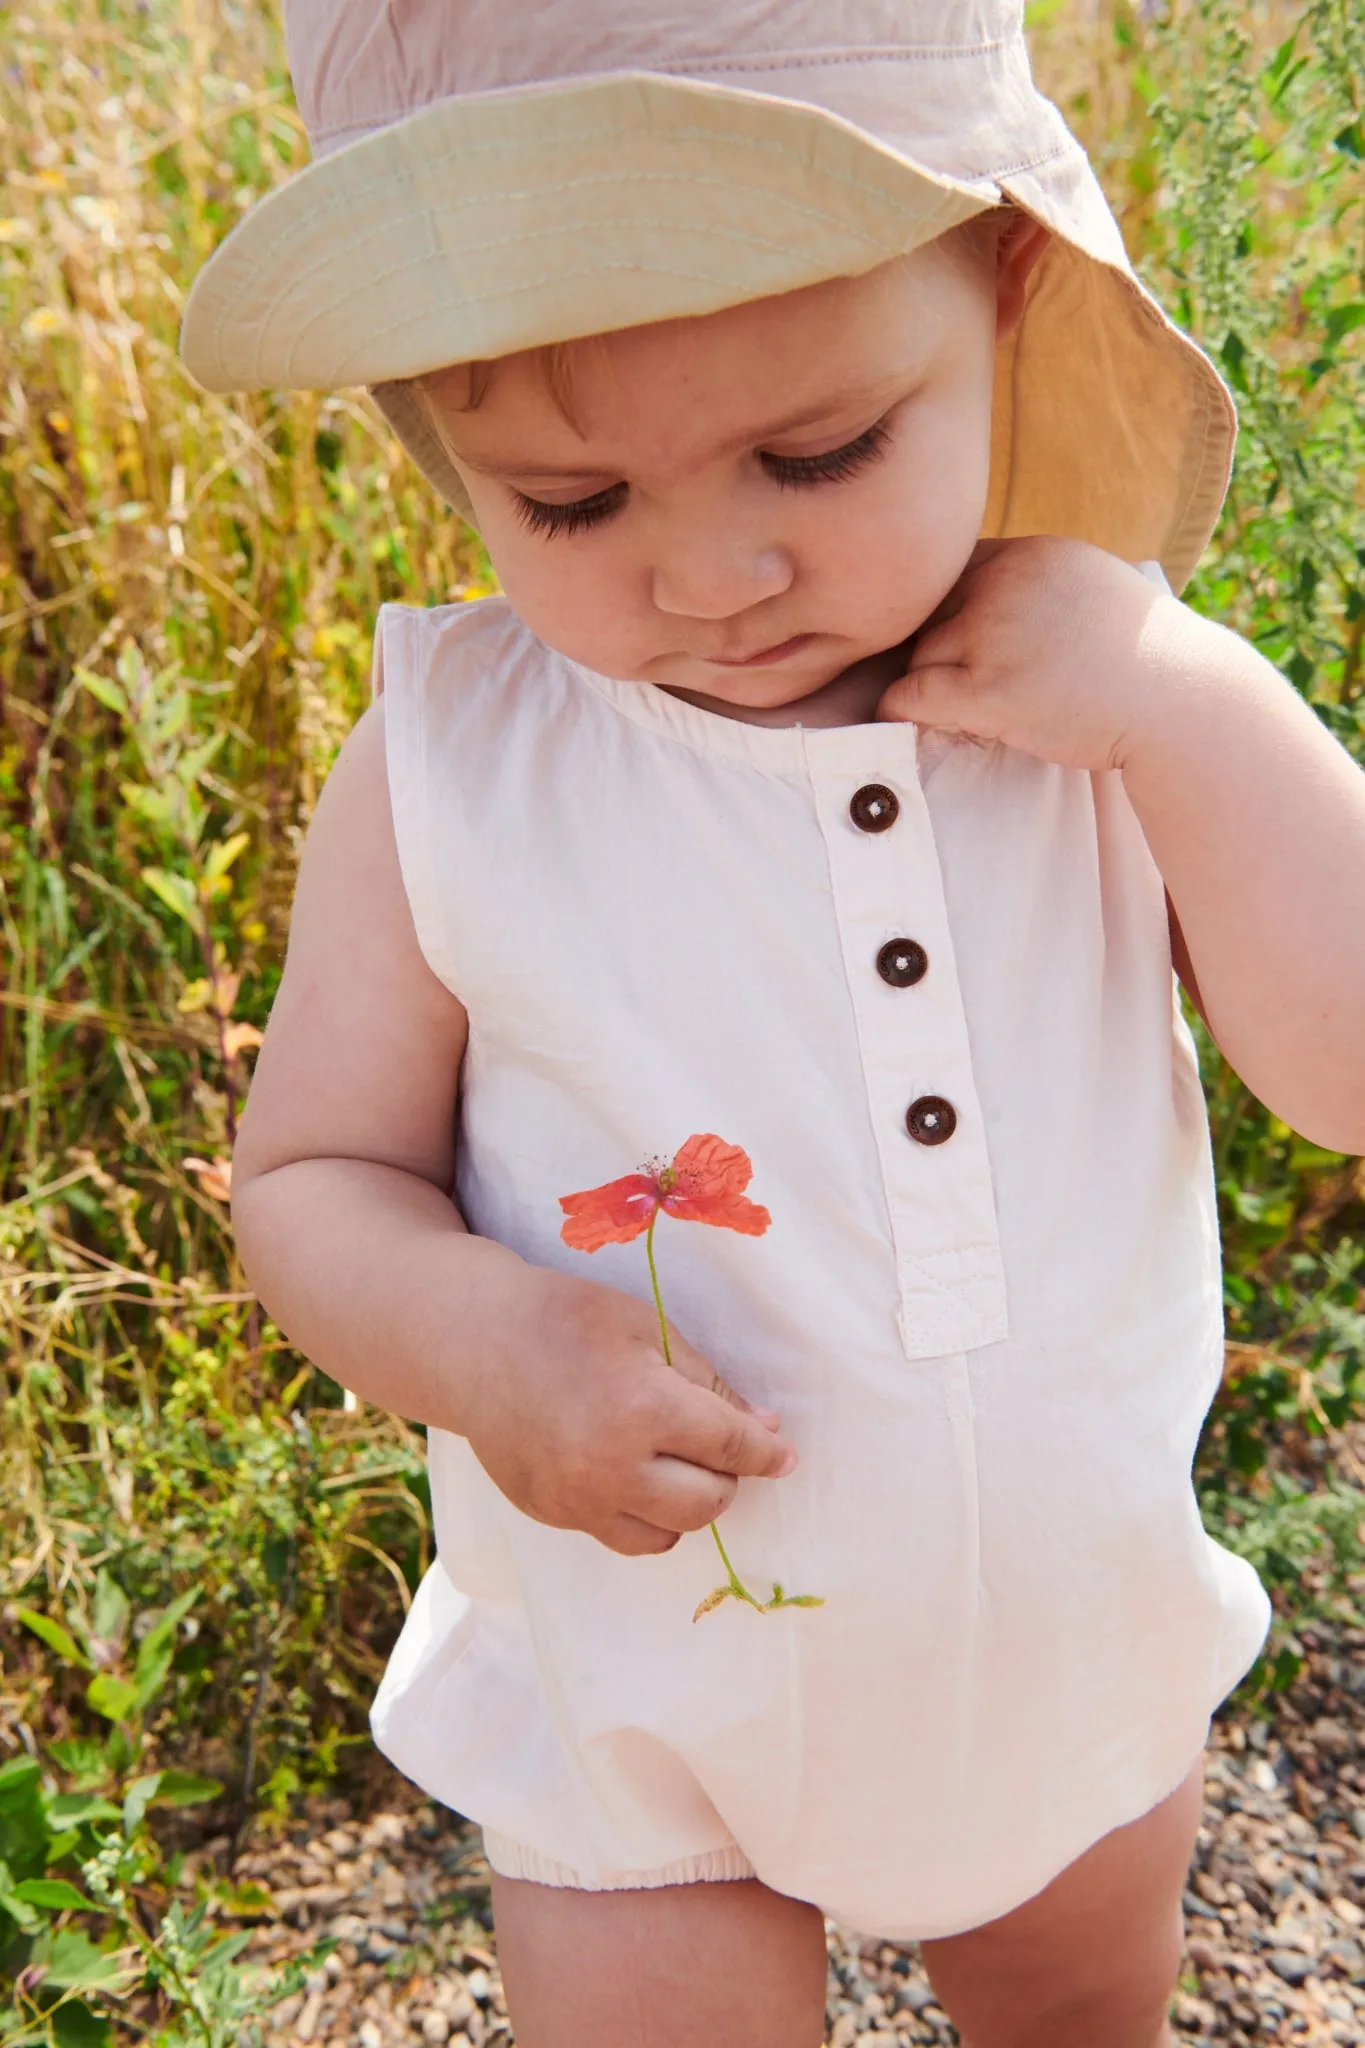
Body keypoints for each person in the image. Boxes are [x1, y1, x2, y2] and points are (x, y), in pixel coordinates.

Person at [183, 3, 1365, 2043]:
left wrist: (1189, 706)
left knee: (1081, 2019)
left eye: (815, 454)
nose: (713, 575)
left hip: (1055, 1660)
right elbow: (308, 1173)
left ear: (1003, 294)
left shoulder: (1103, 698)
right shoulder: (454, 765)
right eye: (568, 504)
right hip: (650, 1707)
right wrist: (487, 1341)